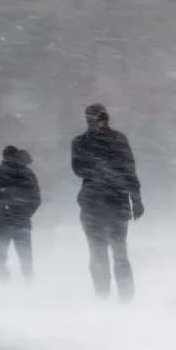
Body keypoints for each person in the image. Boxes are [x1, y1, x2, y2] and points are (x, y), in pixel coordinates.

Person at [71, 104, 144, 300]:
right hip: (107, 203)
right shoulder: (114, 140)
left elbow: (129, 170)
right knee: (106, 253)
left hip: (101, 203)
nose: (100, 124)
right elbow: (128, 171)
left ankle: (115, 296)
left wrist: (136, 198)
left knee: (107, 253)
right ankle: (111, 295)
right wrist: (135, 197)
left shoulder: (83, 142)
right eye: (98, 120)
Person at [0, 146, 41, 282]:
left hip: (2, 222)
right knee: (25, 259)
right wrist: (24, 213)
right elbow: (35, 199)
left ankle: (7, 287)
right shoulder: (26, 172)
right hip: (21, 223)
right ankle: (30, 287)